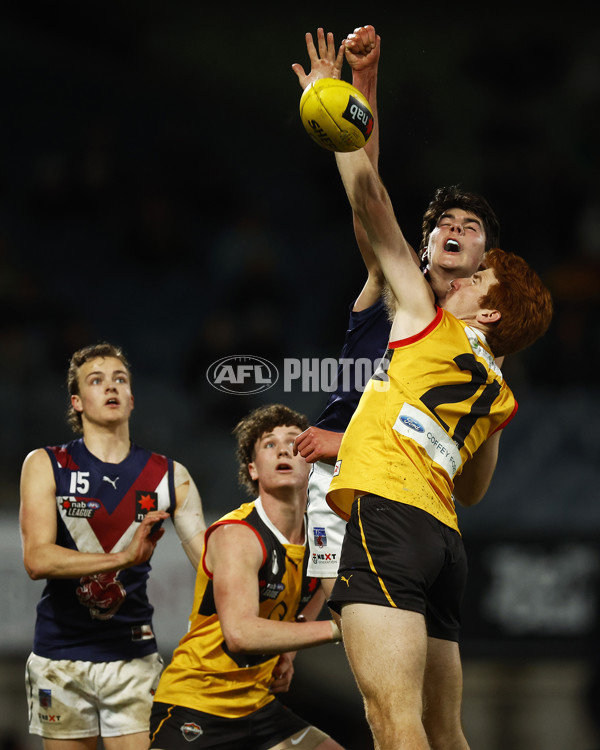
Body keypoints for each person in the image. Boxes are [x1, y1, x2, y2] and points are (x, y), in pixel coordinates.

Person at [320, 92, 553, 748]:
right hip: (444, 544)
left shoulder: (425, 319)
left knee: (392, 725)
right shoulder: (501, 392)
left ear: (489, 312)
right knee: (445, 731)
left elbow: (371, 204)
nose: (468, 280)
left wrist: (343, 119)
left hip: (389, 518)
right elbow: (472, 490)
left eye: (480, 282)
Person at [291, 27, 501, 603]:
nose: (455, 229)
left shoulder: (481, 342)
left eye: (470, 227)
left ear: (486, 258)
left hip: (412, 497)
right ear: (423, 247)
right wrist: (361, 85)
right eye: (443, 226)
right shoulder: (394, 280)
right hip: (341, 479)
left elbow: (473, 478)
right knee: (320, 618)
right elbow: (369, 197)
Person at [19, 341, 206, 750]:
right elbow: (36, 558)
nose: (111, 387)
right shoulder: (44, 463)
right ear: (77, 401)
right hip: (59, 656)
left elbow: (212, 566)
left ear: (132, 398)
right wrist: (124, 558)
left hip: (132, 658)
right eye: (97, 380)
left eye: (120, 379)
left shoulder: (170, 476)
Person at [149, 404, 345, 750]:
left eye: (294, 442)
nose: (284, 449)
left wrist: (289, 653)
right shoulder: (238, 535)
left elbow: (316, 594)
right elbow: (239, 634)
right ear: (253, 469)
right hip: (197, 702)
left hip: (257, 705)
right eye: (270, 444)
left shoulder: (321, 535)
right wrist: (337, 630)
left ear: (310, 461)